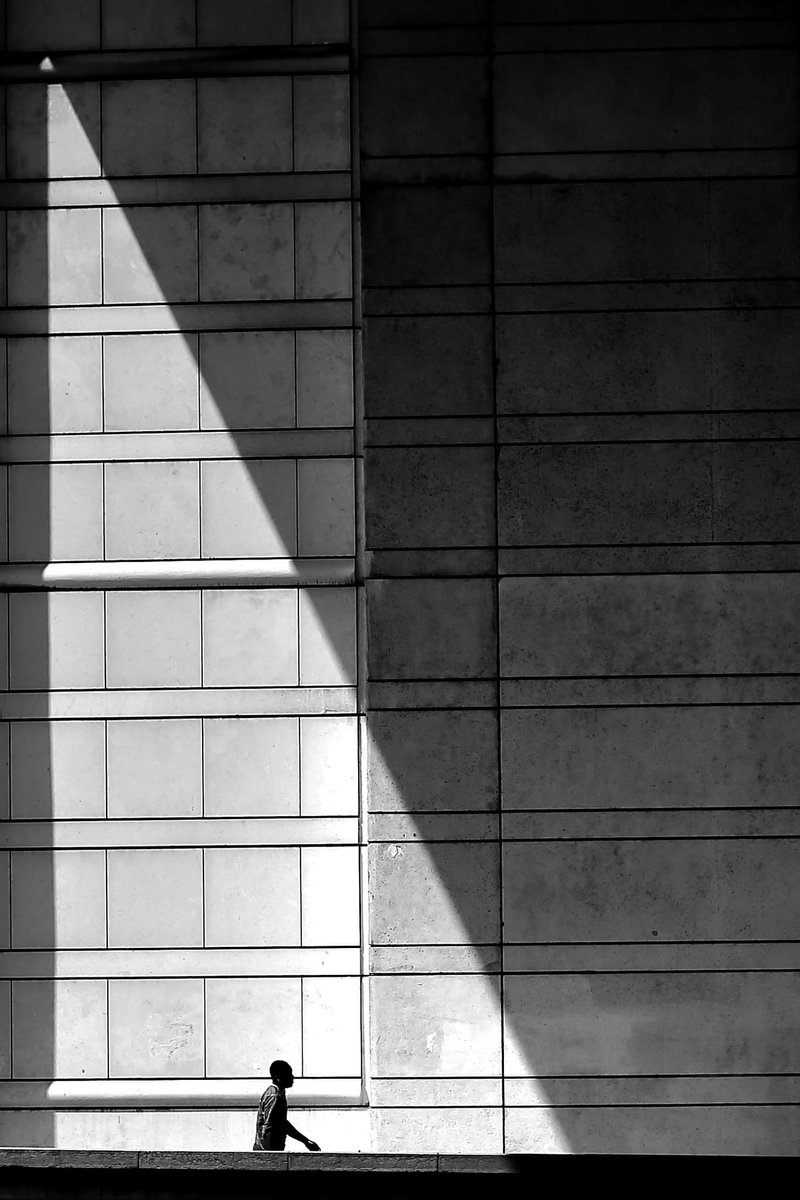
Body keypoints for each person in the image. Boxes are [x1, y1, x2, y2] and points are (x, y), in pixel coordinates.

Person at [253, 1059, 321, 1152]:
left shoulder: (279, 1094)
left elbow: (282, 1123)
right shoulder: (274, 1096)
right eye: (288, 1074)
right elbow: (269, 1127)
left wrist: (305, 1141)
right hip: (268, 1152)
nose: (292, 1077)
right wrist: (271, 1155)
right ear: (278, 1077)